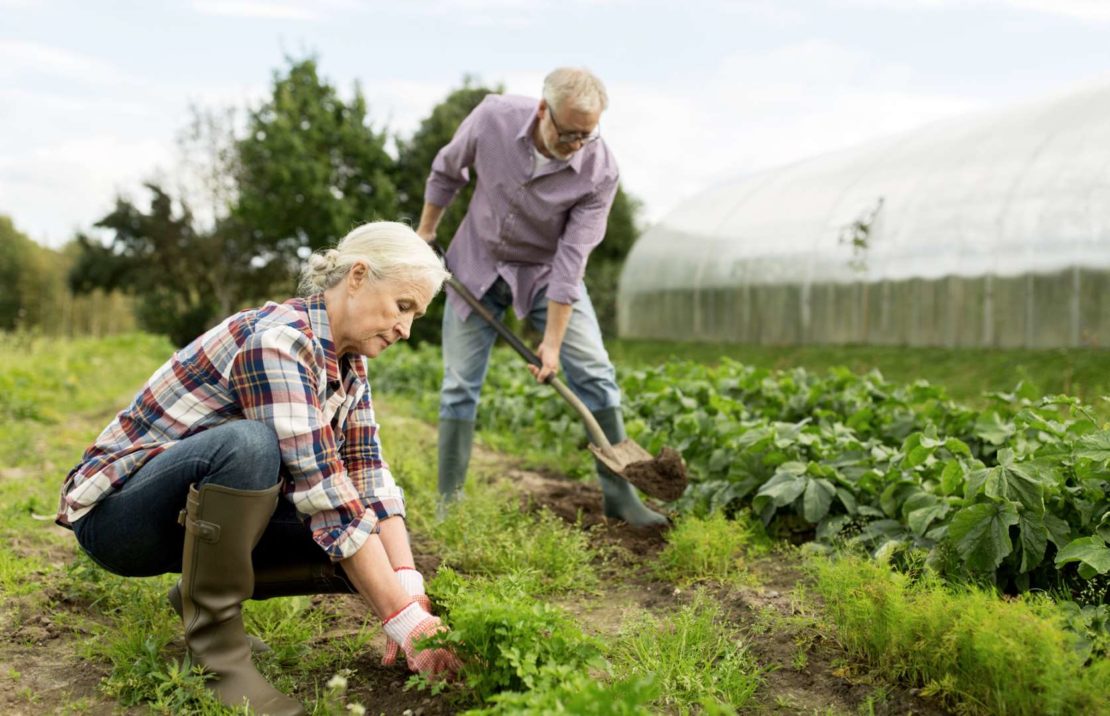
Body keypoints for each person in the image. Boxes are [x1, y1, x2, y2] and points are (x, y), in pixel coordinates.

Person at [56, 222, 461, 715]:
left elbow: (367, 471)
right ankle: (218, 656)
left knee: (364, 544)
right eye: (403, 306)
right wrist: (400, 619)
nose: (406, 328)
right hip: (119, 519)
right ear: (357, 276)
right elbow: (326, 493)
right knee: (250, 447)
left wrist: (408, 592)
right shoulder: (279, 341)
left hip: (186, 515)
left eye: (416, 315)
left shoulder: (348, 363)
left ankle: (198, 597)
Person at [415, 67, 667, 527]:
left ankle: (622, 498)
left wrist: (551, 341)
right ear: (542, 109)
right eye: (567, 133)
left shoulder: (600, 171)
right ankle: (448, 503)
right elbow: (448, 171)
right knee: (459, 385)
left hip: (546, 274)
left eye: (586, 136)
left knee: (594, 372)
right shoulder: (493, 117)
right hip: (477, 261)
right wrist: (425, 233)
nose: (575, 145)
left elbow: (572, 262)